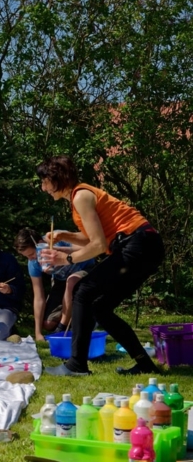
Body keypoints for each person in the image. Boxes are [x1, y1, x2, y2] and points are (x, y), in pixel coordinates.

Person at [37, 155, 164, 376]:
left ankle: (76, 365)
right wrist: (63, 238)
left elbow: (97, 245)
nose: (43, 187)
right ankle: (144, 363)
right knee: (100, 308)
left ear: (57, 178)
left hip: (138, 244)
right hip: (144, 246)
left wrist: (65, 259)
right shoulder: (80, 198)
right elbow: (91, 238)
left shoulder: (81, 196)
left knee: (83, 290)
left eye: (44, 181)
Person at [14, 227, 95, 342]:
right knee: (48, 324)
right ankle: (80, 317)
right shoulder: (33, 263)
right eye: (26, 256)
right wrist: (38, 333)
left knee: (71, 281)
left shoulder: (59, 237)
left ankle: (62, 329)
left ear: (40, 244)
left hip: (86, 269)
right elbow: (38, 297)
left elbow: (90, 247)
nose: (31, 259)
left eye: (31, 254)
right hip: (61, 281)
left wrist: (58, 250)